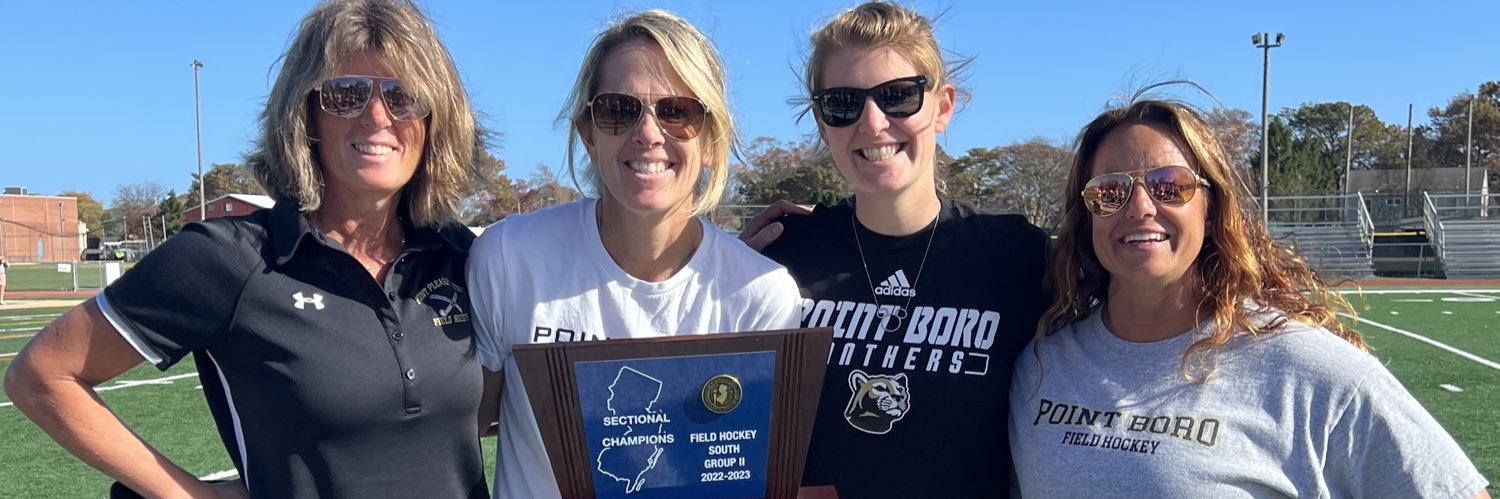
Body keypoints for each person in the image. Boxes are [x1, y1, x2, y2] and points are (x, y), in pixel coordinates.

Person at [3, 1, 488, 497]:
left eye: (403, 96)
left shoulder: (458, 253)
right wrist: (195, 495)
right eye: (346, 94)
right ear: (306, 115)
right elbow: (42, 375)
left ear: (435, 120)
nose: (377, 116)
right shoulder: (231, 259)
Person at [1009, 96, 1491, 498]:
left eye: (1169, 186)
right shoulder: (1041, 366)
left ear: (1211, 208)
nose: (1139, 207)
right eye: (1110, 191)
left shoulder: (1311, 370)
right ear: (1087, 215)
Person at [465, 9, 802, 499]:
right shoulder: (507, 257)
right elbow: (464, 427)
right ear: (588, 133)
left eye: (677, 111)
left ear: (711, 140)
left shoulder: (762, 295)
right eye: (619, 109)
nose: (648, 132)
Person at [752, 3, 1049, 497]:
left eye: (897, 96)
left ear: (942, 106)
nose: (872, 123)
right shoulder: (779, 256)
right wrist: (714, 268)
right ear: (823, 123)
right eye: (842, 103)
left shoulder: (1018, 255)